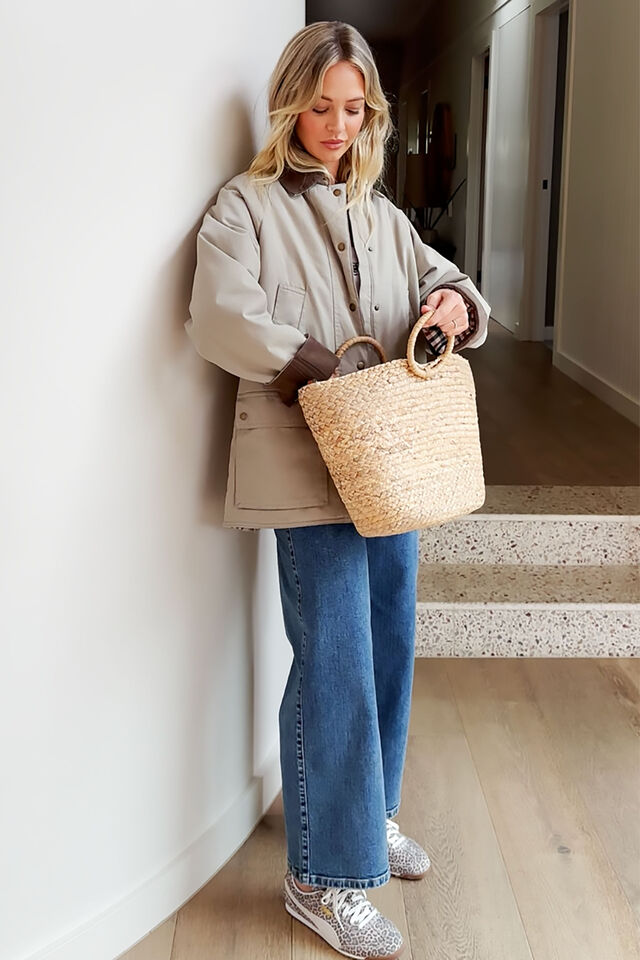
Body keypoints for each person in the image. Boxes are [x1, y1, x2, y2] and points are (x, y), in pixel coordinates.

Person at [185, 20, 490, 960]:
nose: (337, 124)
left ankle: (364, 816)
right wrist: (316, 366)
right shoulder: (244, 208)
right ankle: (324, 876)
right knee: (334, 660)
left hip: (390, 468)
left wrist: (450, 304)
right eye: (320, 106)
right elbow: (219, 316)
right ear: (290, 102)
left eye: (354, 109)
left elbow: (443, 281)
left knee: (389, 637)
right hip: (300, 467)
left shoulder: (380, 209)